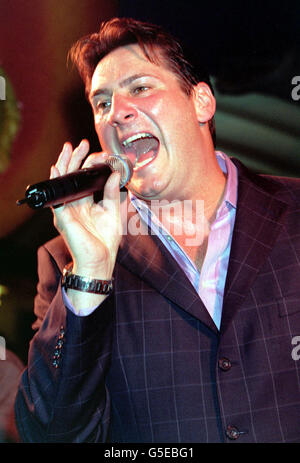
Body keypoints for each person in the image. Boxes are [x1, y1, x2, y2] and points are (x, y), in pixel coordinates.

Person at [15, 17, 300, 443]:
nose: (118, 112)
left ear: (202, 102)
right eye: (102, 103)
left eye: (140, 87)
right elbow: (50, 432)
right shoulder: (66, 265)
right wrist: (90, 273)